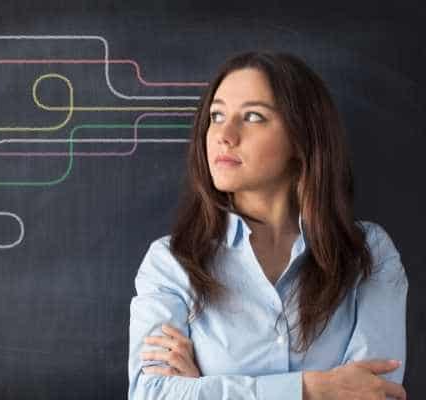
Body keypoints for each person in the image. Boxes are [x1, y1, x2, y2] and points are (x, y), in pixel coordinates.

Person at [128, 51, 408, 400]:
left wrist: (202, 389)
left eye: (253, 117)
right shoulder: (171, 261)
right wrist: (313, 389)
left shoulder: (368, 252)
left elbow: (373, 393)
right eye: (217, 115)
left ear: (301, 138)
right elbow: (151, 394)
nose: (224, 135)